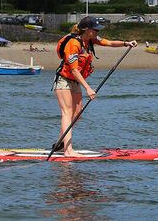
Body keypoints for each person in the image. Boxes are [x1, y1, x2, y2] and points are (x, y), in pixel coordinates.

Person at [52, 16, 136, 157]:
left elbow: (108, 43)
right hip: (63, 80)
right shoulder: (74, 43)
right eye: (95, 29)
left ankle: (59, 145)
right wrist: (88, 88)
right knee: (67, 113)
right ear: (86, 29)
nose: (97, 32)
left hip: (75, 81)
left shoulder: (90, 39)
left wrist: (126, 43)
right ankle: (68, 150)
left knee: (76, 114)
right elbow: (73, 69)